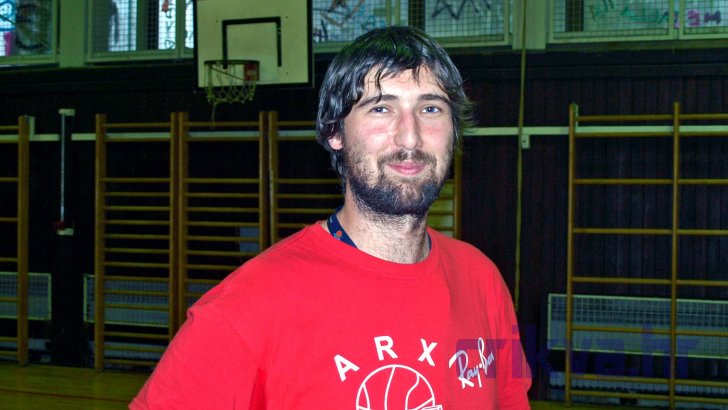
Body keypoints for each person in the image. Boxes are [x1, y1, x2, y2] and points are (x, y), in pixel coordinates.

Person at [131, 26, 531, 409]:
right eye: (381, 108)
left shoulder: (484, 282)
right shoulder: (246, 307)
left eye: (430, 108)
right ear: (335, 133)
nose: (410, 137)